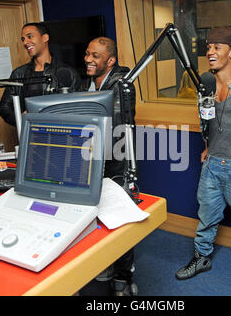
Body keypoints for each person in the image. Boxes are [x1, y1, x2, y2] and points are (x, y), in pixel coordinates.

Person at [175, 27, 231, 293]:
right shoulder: (205, 85)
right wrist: (207, 146)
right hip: (212, 165)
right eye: (209, 47)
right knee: (206, 216)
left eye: (217, 48)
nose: (210, 52)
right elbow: (206, 120)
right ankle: (202, 258)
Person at [82, 37, 137, 296]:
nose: (88, 59)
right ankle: (104, 265)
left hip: (117, 162)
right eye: (87, 54)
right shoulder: (87, 83)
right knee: (95, 217)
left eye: (95, 55)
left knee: (120, 222)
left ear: (110, 60)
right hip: (92, 160)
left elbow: (114, 126)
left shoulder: (122, 85)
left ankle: (123, 279)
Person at [0, 22, 81, 126]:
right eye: (23, 39)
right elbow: (4, 107)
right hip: (30, 134)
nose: (25, 42)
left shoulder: (67, 72)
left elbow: (78, 108)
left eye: (29, 37)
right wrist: (20, 118)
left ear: (45, 38)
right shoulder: (19, 74)